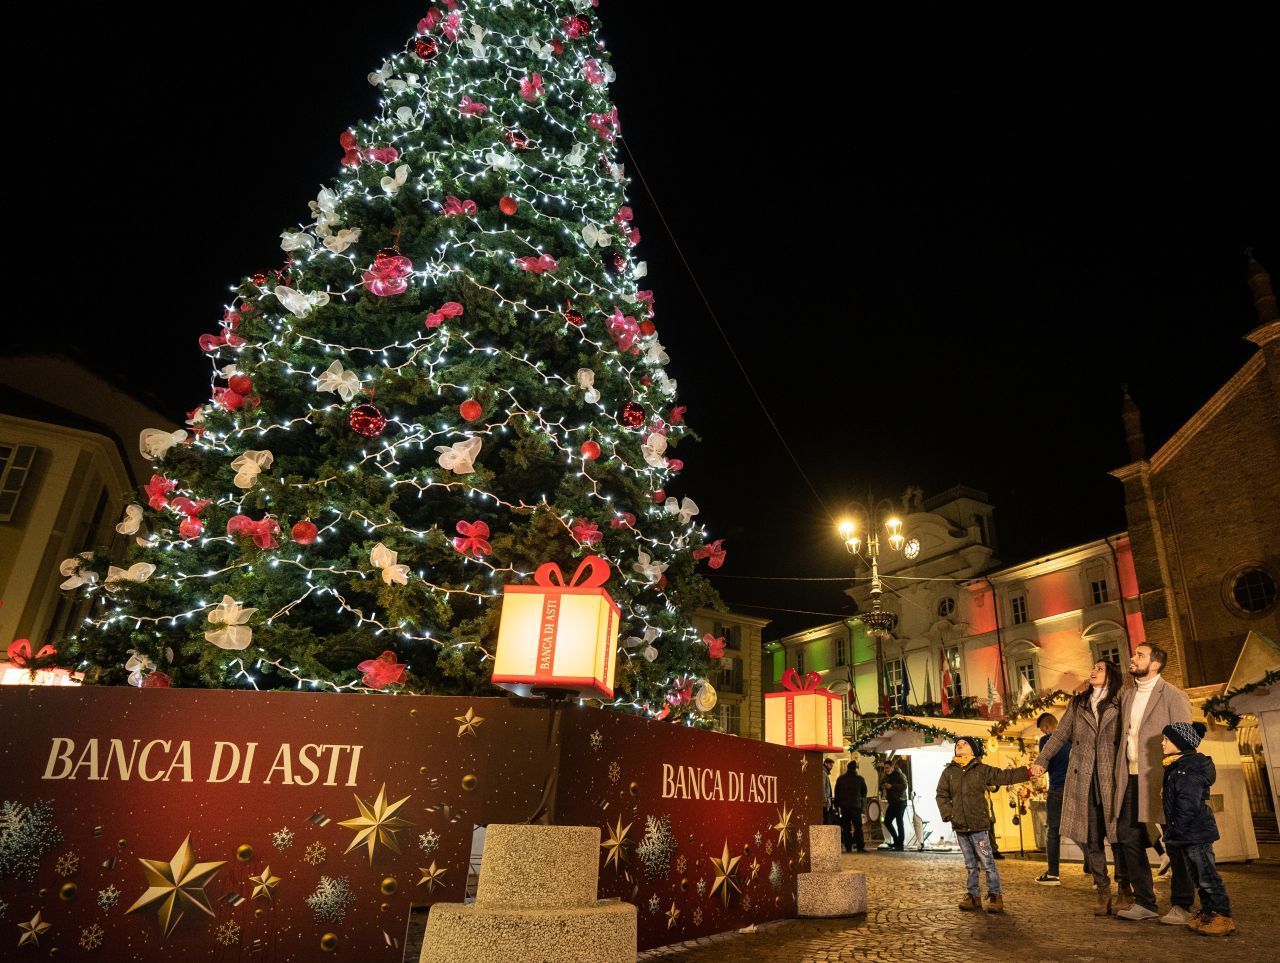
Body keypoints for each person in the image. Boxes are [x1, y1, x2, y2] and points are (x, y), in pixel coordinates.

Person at [1034, 659, 1128, 915]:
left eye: (1100, 668)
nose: (1093, 671)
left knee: (1118, 838)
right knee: (1093, 838)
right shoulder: (1079, 703)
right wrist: (1041, 760)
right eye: (1093, 668)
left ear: (1111, 675)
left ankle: (1124, 888)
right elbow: (1060, 734)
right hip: (1084, 780)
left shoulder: (1122, 700)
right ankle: (1102, 889)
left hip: (1112, 778)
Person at [1113, 642, 1193, 922]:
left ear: (1155, 663)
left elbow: (1185, 741)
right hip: (1131, 777)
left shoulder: (1173, 695)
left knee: (1174, 839)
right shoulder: (1127, 696)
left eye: (1139, 655)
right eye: (1134, 654)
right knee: (1127, 836)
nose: (1132, 658)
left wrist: (1173, 777)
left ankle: (1182, 905)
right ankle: (1145, 902)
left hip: (1162, 776)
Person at [936, 735, 1039, 913]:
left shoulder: (981, 770)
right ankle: (973, 896)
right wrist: (949, 814)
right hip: (960, 827)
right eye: (958, 744)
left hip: (979, 825)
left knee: (987, 863)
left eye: (965, 744)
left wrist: (1028, 772)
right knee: (970, 864)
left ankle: (995, 895)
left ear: (973, 750)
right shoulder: (949, 772)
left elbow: (1004, 776)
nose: (960, 746)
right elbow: (941, 795)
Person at [1161, 722, 1235, 936]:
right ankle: (1208, 912)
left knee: (1208, 877)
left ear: (1180, 742)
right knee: (1199, 878)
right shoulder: (1177, 765)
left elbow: (1187, 804)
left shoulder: (1189, 767)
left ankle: (1222, 916)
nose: (1162, 743)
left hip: (1195, 832)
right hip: (1188, 833)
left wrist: (1178, 832)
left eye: (1166, 739)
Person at [1035, 711, 1070, 884]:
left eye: (1043, 730)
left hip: (1057, 789)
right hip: (1074, 789)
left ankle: (1053, 873)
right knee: (1078, 832)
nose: (1043, 733)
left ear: (1047, 727)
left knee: (1053, 832)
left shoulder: (1046, 741)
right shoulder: (1071, 738)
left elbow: (1043, 765)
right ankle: (1096, 873)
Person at [835, 755, 868, 852]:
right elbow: (864, 792)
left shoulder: (841, 779)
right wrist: (862, 804)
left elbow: (837, 792)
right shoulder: (860, 779)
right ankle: (859, 847)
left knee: (846, 827)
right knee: (857, 826)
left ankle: (848, 846)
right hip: (856, 806)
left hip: (844, 806)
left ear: (847, 768)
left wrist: (837, 805)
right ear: (855, 768)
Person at [880, 760, 908, 851]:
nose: (886, 769)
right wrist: (883, 786)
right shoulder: (886, 776)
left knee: (899, 822)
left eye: (887, 767)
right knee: (887, 821)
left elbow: (904, 786)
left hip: (900, 801)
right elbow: (881, 784)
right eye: (885, 768)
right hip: (892, 802)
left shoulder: (899, 775)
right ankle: (896, 841)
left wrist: (891, 786)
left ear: (892, 767)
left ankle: (900, 844)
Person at [822, 758, 838, 825]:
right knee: (825, 821)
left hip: (826, 802)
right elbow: (822, 787)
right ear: (826, 764)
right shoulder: (823, 773)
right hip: (825, 803)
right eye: (830, 765)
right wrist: (825, 800)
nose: (831, 767)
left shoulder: (825, 773)